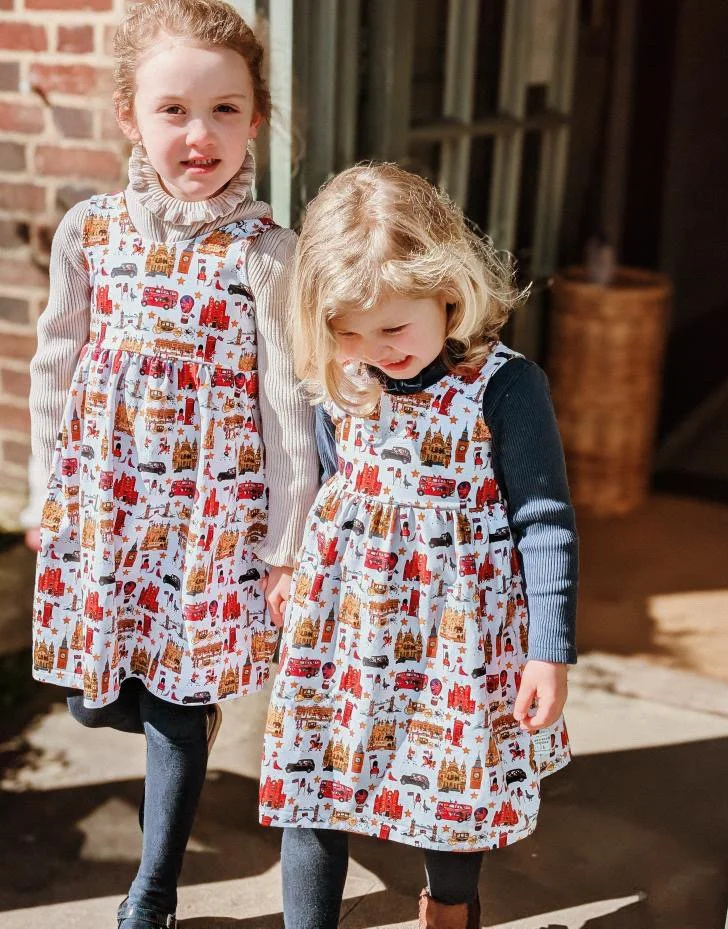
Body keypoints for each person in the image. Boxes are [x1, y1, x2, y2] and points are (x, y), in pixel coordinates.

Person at [28, 2, 318, 926]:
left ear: (256, 120)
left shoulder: (266, 256)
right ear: (129, 116)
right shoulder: (92, 232)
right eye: (174, 111)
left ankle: (150, 889)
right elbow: (55, 364)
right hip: (108, 507)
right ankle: (176, 721)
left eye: (225, 110)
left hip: (207, 517)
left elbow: (287, 411)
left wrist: (284, 542)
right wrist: (46, 494)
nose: (200, 136)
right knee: (88, 697)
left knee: (169, 708)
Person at [258, 164, 578, 929]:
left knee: (451, 784)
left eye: (393, 328)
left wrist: (548, 648)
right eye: (348, 332)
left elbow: (544, 519)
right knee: (316, 776)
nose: (374, 349)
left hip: (458, 632)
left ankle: (450, 910)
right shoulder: (345, 380)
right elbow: (328, 484)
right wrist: (295, 560)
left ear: (447, 289)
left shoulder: (503, 387)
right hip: (345, 624)